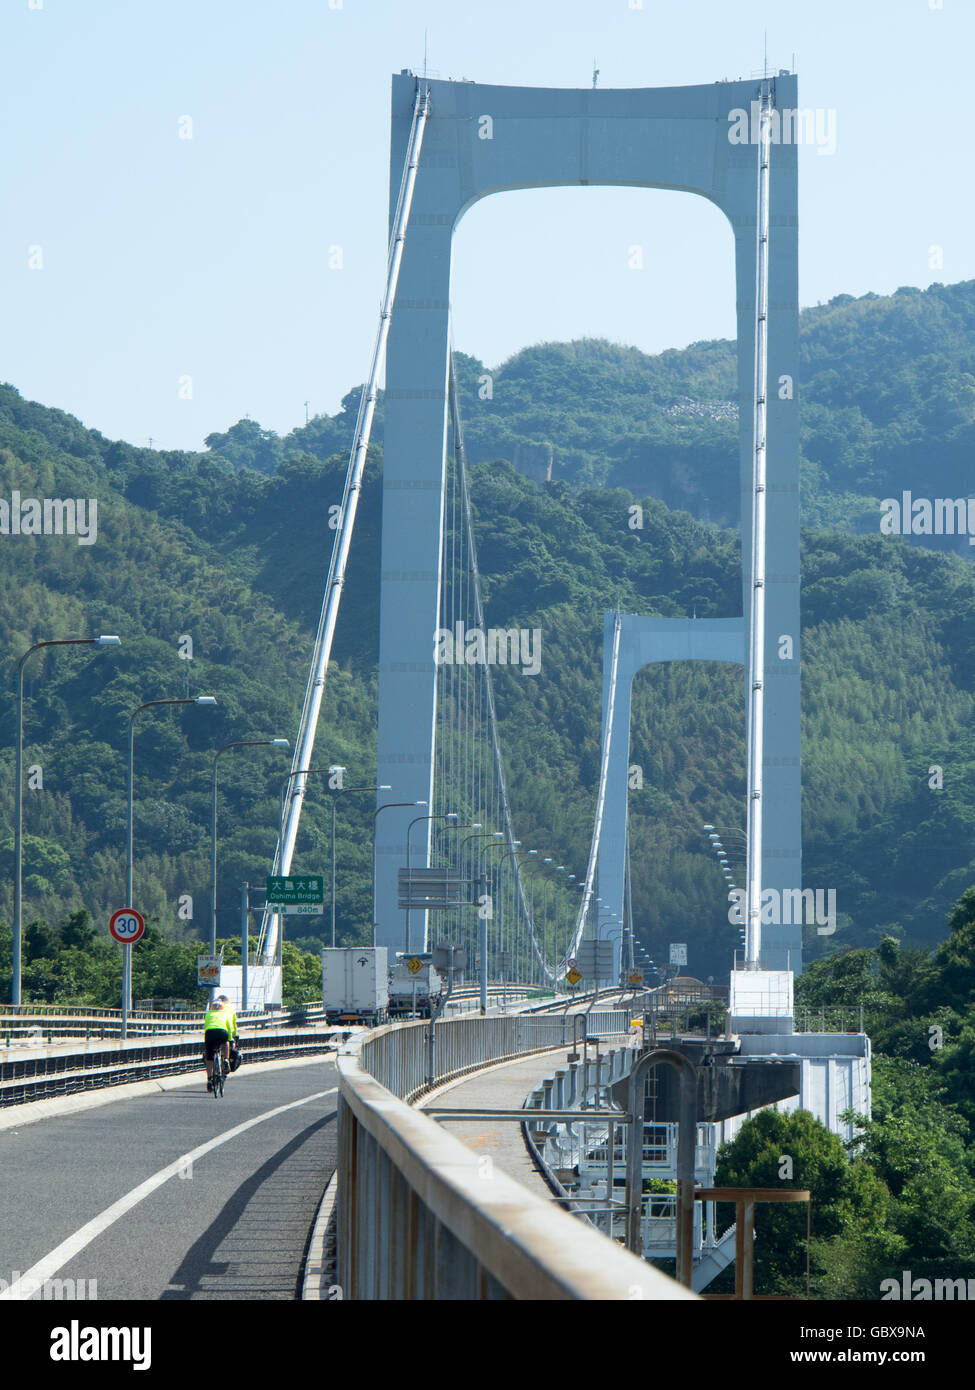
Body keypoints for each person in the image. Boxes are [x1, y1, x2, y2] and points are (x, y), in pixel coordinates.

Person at [204, 994, 238, 1090]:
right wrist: (231, 1039)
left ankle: (209, 1078)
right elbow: (230, 1028)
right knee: (225, 1043)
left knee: (209, 1057)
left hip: (209, 1034)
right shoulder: (225, 1014)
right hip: (222, 1033)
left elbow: (206, 1027)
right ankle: (226, 1060)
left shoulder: (208, 1014)